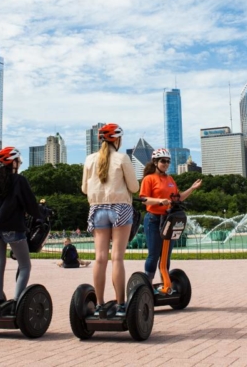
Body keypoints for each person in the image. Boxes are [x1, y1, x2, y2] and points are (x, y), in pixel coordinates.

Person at [82, 123, 139, 317]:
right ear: (117, 139)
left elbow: (84, 189)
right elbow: (134, 187)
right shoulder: (122, 158)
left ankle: (99, 304)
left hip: (97, 209)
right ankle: (121, 305)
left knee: (100, 258)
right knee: (117, 258)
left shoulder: (89, 159)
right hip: (120, 208)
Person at [0, 147, 45, 316]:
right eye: (18, 161)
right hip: (13, 228)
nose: (19, 164)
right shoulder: (19, 180)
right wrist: (41, 215)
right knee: (25, 265)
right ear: (13, 162)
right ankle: (17, 303)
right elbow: (30, 204)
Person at [140, 148, 201, 281]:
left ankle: (165, 283)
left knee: (166, 254)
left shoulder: (170, 179)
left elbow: (178, 198)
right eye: (163, 161)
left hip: (169, 220)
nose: (166, 164)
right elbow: (144, 200)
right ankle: (147, 284)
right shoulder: (149, 179)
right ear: (155, 162)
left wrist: (192, 188)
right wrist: (159, 201)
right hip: (153, 219)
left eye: (168, 161)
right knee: (154, 255)